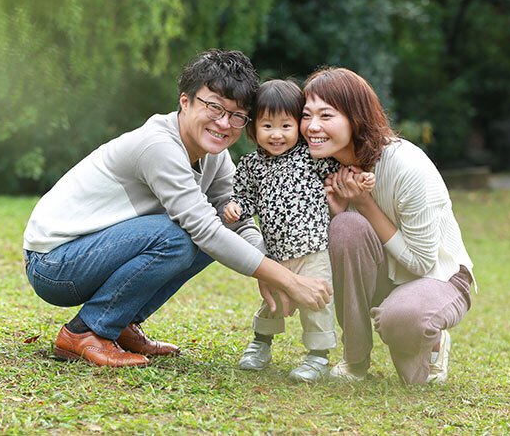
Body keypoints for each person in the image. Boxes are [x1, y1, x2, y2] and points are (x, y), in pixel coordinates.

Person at [22, 49, 333, 368]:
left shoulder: (215, 155)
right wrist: (289, 280)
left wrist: (271, 269)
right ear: (185, 101)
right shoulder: (158, 146)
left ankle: (121, 323)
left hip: (88, 256)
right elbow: (204, 230)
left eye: (237, 115)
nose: (224, 123)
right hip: (54, 263)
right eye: (214, 107)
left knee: (210, 232)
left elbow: (236, 222)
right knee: (178, 237)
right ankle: (84, 332)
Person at [300, 67, 476, 385]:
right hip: (385, 277)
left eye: (326, 115)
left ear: (356, 117)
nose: (312, 127)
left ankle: (433, 341)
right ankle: (355, 360)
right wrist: (337, 213)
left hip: (440, 279)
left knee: (404, 323)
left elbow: (423, 263)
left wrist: (365, 204)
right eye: (306, 115)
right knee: (346, 227)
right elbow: (338, 257)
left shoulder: (406, 166)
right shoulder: (328, 167)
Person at [223, 79, 375, 383]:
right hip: (276, 254)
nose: (276, 134)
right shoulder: (251, 165)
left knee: (317, 302)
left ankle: (318, 357)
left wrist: (359, 180)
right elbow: (243, 196)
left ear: (298, 127)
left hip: (314, 248)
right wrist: (235, 207)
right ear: (253, 129)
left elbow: (341, 175)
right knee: (273, 302)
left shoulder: (311, 157)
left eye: (285, 125)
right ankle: (260, 344)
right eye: (267, 126)